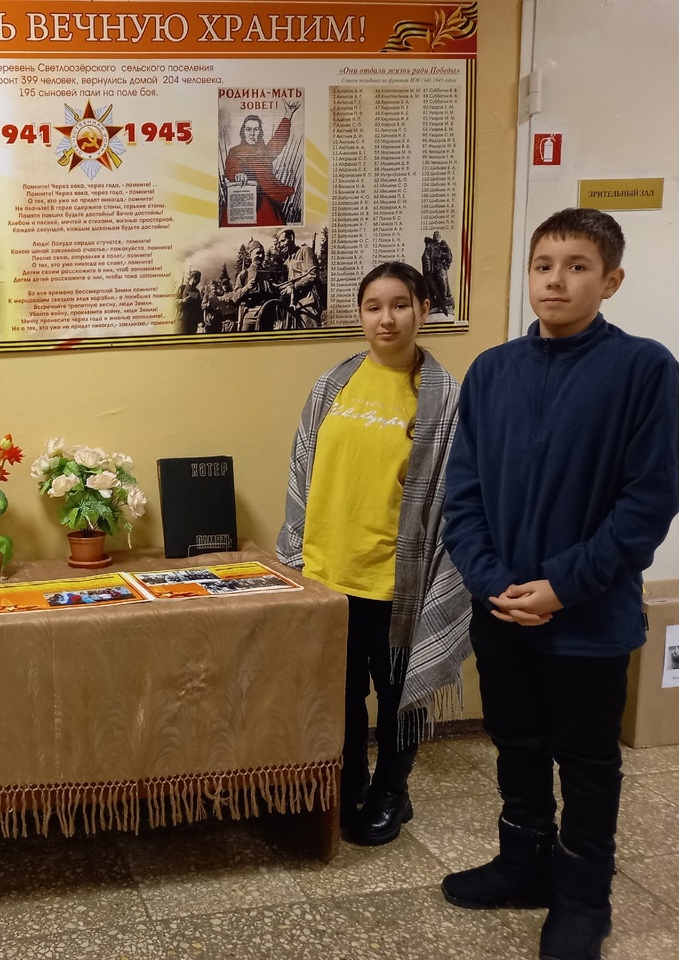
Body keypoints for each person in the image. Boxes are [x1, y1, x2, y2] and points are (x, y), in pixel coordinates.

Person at [441, 208, 679, 960]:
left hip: (589, 618)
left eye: (578, 266)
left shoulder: (643, 369)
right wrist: (493, 582)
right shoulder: (492, 371)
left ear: (611, 280)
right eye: (544, 264)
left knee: (586, 761)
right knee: (515, 742)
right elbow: (462, 494)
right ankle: (523, 864)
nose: (556, 280)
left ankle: (581, 898)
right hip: (501, 609)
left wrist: (562, 587)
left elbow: (647, 501)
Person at [277, 261, 470, 846]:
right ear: (360, 315)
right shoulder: (333, 385)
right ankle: (350, 781)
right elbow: (303, 470)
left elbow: (451, 497)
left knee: (396, 696)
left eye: (400, 305)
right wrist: (296, 556)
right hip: (328, 571)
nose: (387, 319)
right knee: (340, 691)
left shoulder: (444, 399)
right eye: (373, 307)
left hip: (395, 580)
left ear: (424, 310)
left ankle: (392, 792)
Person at [222, 101, 300, 226]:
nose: (252, 133)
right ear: (243, 131)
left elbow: (279, 139)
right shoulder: (235, 151)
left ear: (260, 132)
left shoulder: (265, 152)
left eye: (256, 129)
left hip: (265, 202)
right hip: (243, 200)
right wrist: (237, 175)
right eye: (248, 129)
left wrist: (288, 114)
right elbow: (231, 167)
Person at [273, 229, 323, 328]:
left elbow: (313, 274)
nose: (281, 245)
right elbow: (290, 281)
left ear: (291, 238)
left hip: (307, 303)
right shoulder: (287, 262)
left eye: (283, 241)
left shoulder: (305, 251)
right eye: (279, 242)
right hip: (293, 305)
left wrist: (293, 287)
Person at [422, 231, 454, 317]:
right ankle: (435, 301)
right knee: (432, 285)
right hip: (433, 268)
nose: (436, 236)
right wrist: (428, 267)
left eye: (437, 235)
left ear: (439, 237)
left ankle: (444, 298)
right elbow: (426, 256)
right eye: (434, 235)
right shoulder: (430, 246)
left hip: (441, 266)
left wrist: (445, 256)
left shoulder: (443, 246)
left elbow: (449, 256)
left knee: (442, 279)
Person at [176, 269, 203, 334]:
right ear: (193, 277)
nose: (199, 282)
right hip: (182, 320)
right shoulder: (182, 288)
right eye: (198, 279)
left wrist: (201, 320)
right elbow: (172, 301)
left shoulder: (197, 291)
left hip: (193, 322)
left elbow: (199, 307)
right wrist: (182, 301)